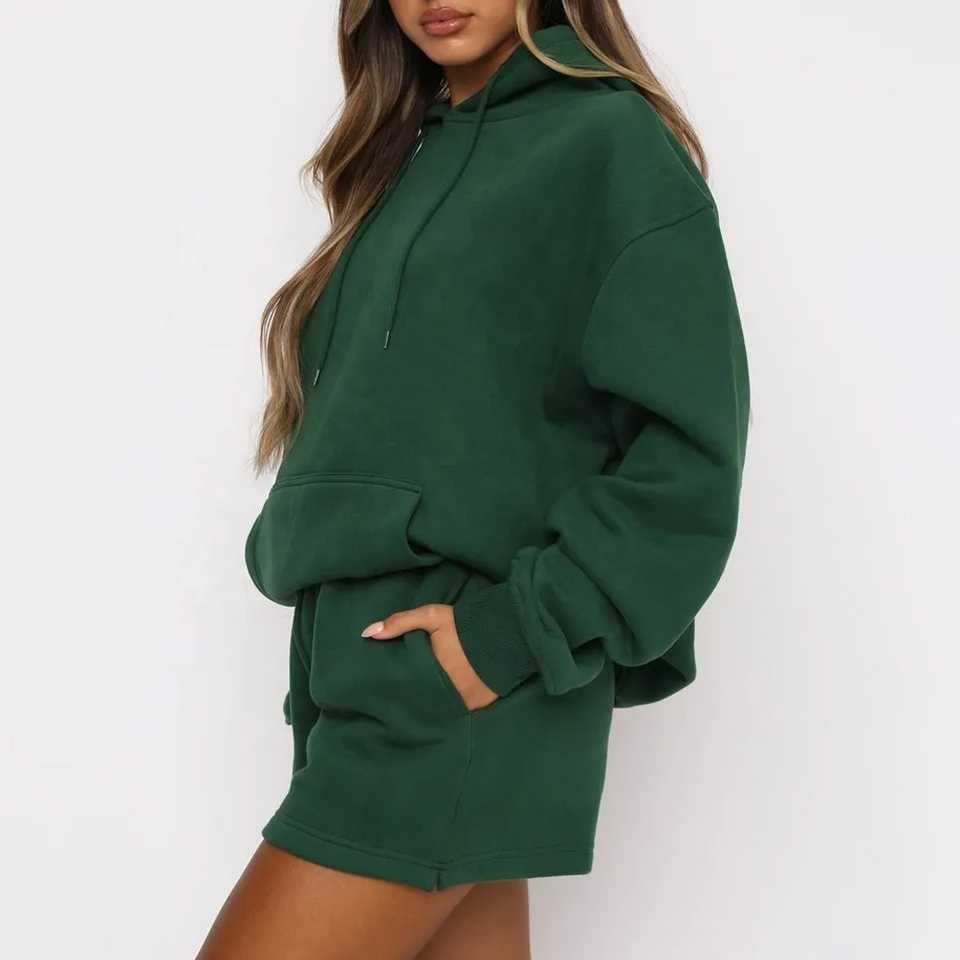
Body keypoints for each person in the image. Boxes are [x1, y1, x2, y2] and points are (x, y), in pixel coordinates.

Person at [197, 1, 750, 957]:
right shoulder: (408, 157)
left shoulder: (606, 141)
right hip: (379, 680)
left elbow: (689, 463)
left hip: (457, 688)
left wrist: (503, 639)